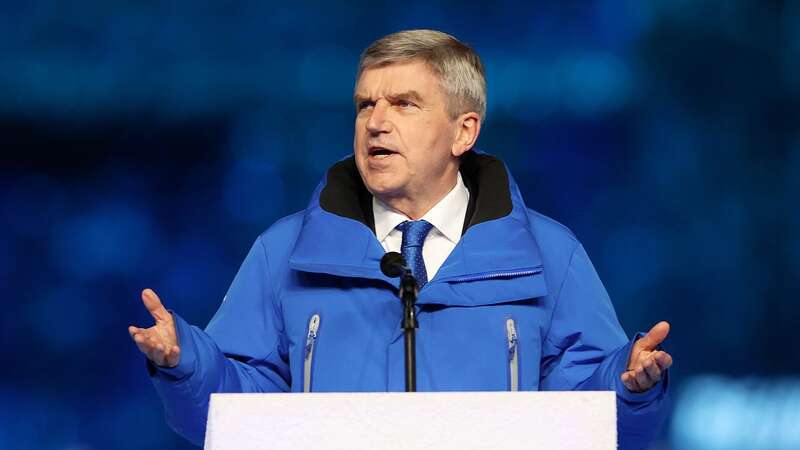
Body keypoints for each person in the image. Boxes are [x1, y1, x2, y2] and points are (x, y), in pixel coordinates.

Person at [129, 29, 673, 449]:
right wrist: (188, 364)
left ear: (464, 130)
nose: (376, 123)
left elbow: (586, 415)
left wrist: (630, 389)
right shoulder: (284, 252)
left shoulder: (552, 255)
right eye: (366, 104)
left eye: (404, 104)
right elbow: (236, 417)